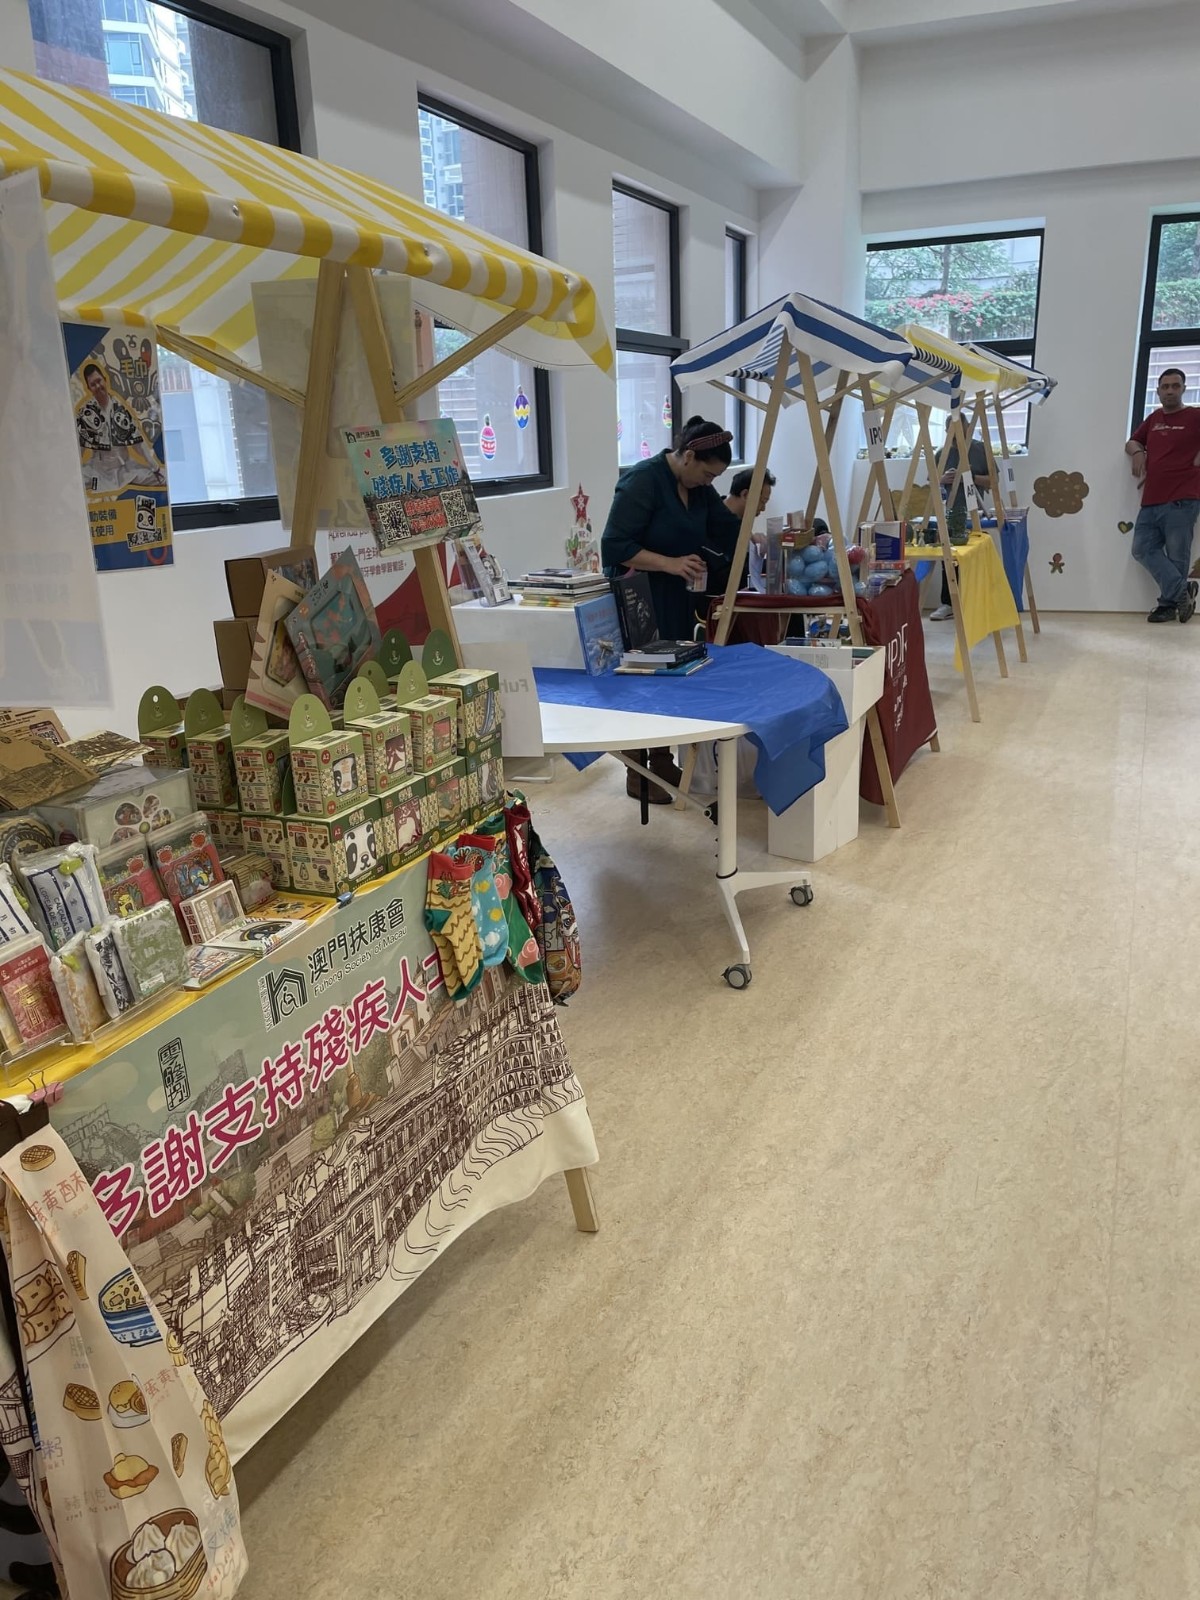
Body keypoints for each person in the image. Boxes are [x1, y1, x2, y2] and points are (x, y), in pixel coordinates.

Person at [601, 417, 740, 803]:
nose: (709, 483)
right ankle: (636, 768)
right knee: (641, 683)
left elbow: (726, 527)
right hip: (639, 597)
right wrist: (670, 563)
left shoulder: (698, 490)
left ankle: (661, 758)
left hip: (675, 595)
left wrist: (756, 535)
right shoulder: (643, 481)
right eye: (708, 474)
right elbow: (614, 545)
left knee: (670, 678)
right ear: (689, 455)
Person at [1124, 367, 1200, 623]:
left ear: (1183, 389)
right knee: (1141, 549)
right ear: (1158, 391)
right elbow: (1132, 441)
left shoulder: (1195, 415)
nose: (1170, 391)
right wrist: (1138, 452)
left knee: (1177, 555)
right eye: (1165, 387)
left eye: (1175, 386)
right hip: (1151, 499)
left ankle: (1167, 606)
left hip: (1183, 498)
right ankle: (1182, 592)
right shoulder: (1154, 418)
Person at [929, 415, 991, 620]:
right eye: (951, 431)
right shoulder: (942, 453)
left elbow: (994, 481)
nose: (956, 435)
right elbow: (931, 483)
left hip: (974, 513)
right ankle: (948, 603)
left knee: (974, 556)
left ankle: (976, 601)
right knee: (949, 558)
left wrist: (971, 477)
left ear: (968, 428)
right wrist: (942, 479)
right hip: (949, 513)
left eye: (960, 429)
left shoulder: (980, 449)